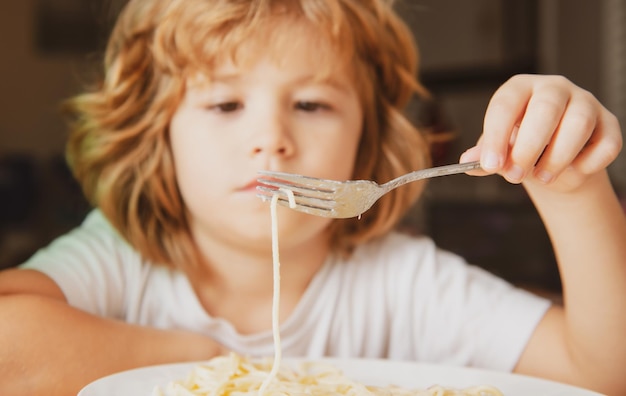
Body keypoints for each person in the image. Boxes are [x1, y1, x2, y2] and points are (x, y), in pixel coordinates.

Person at [1, 0, 625, 395]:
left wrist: (572, 189)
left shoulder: (403, 283)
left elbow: (605, 372)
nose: (271, 139)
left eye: (311, 104)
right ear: (155, 137)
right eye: (224, 104)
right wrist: (208, 361)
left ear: (366, 141)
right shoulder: (118, 258)